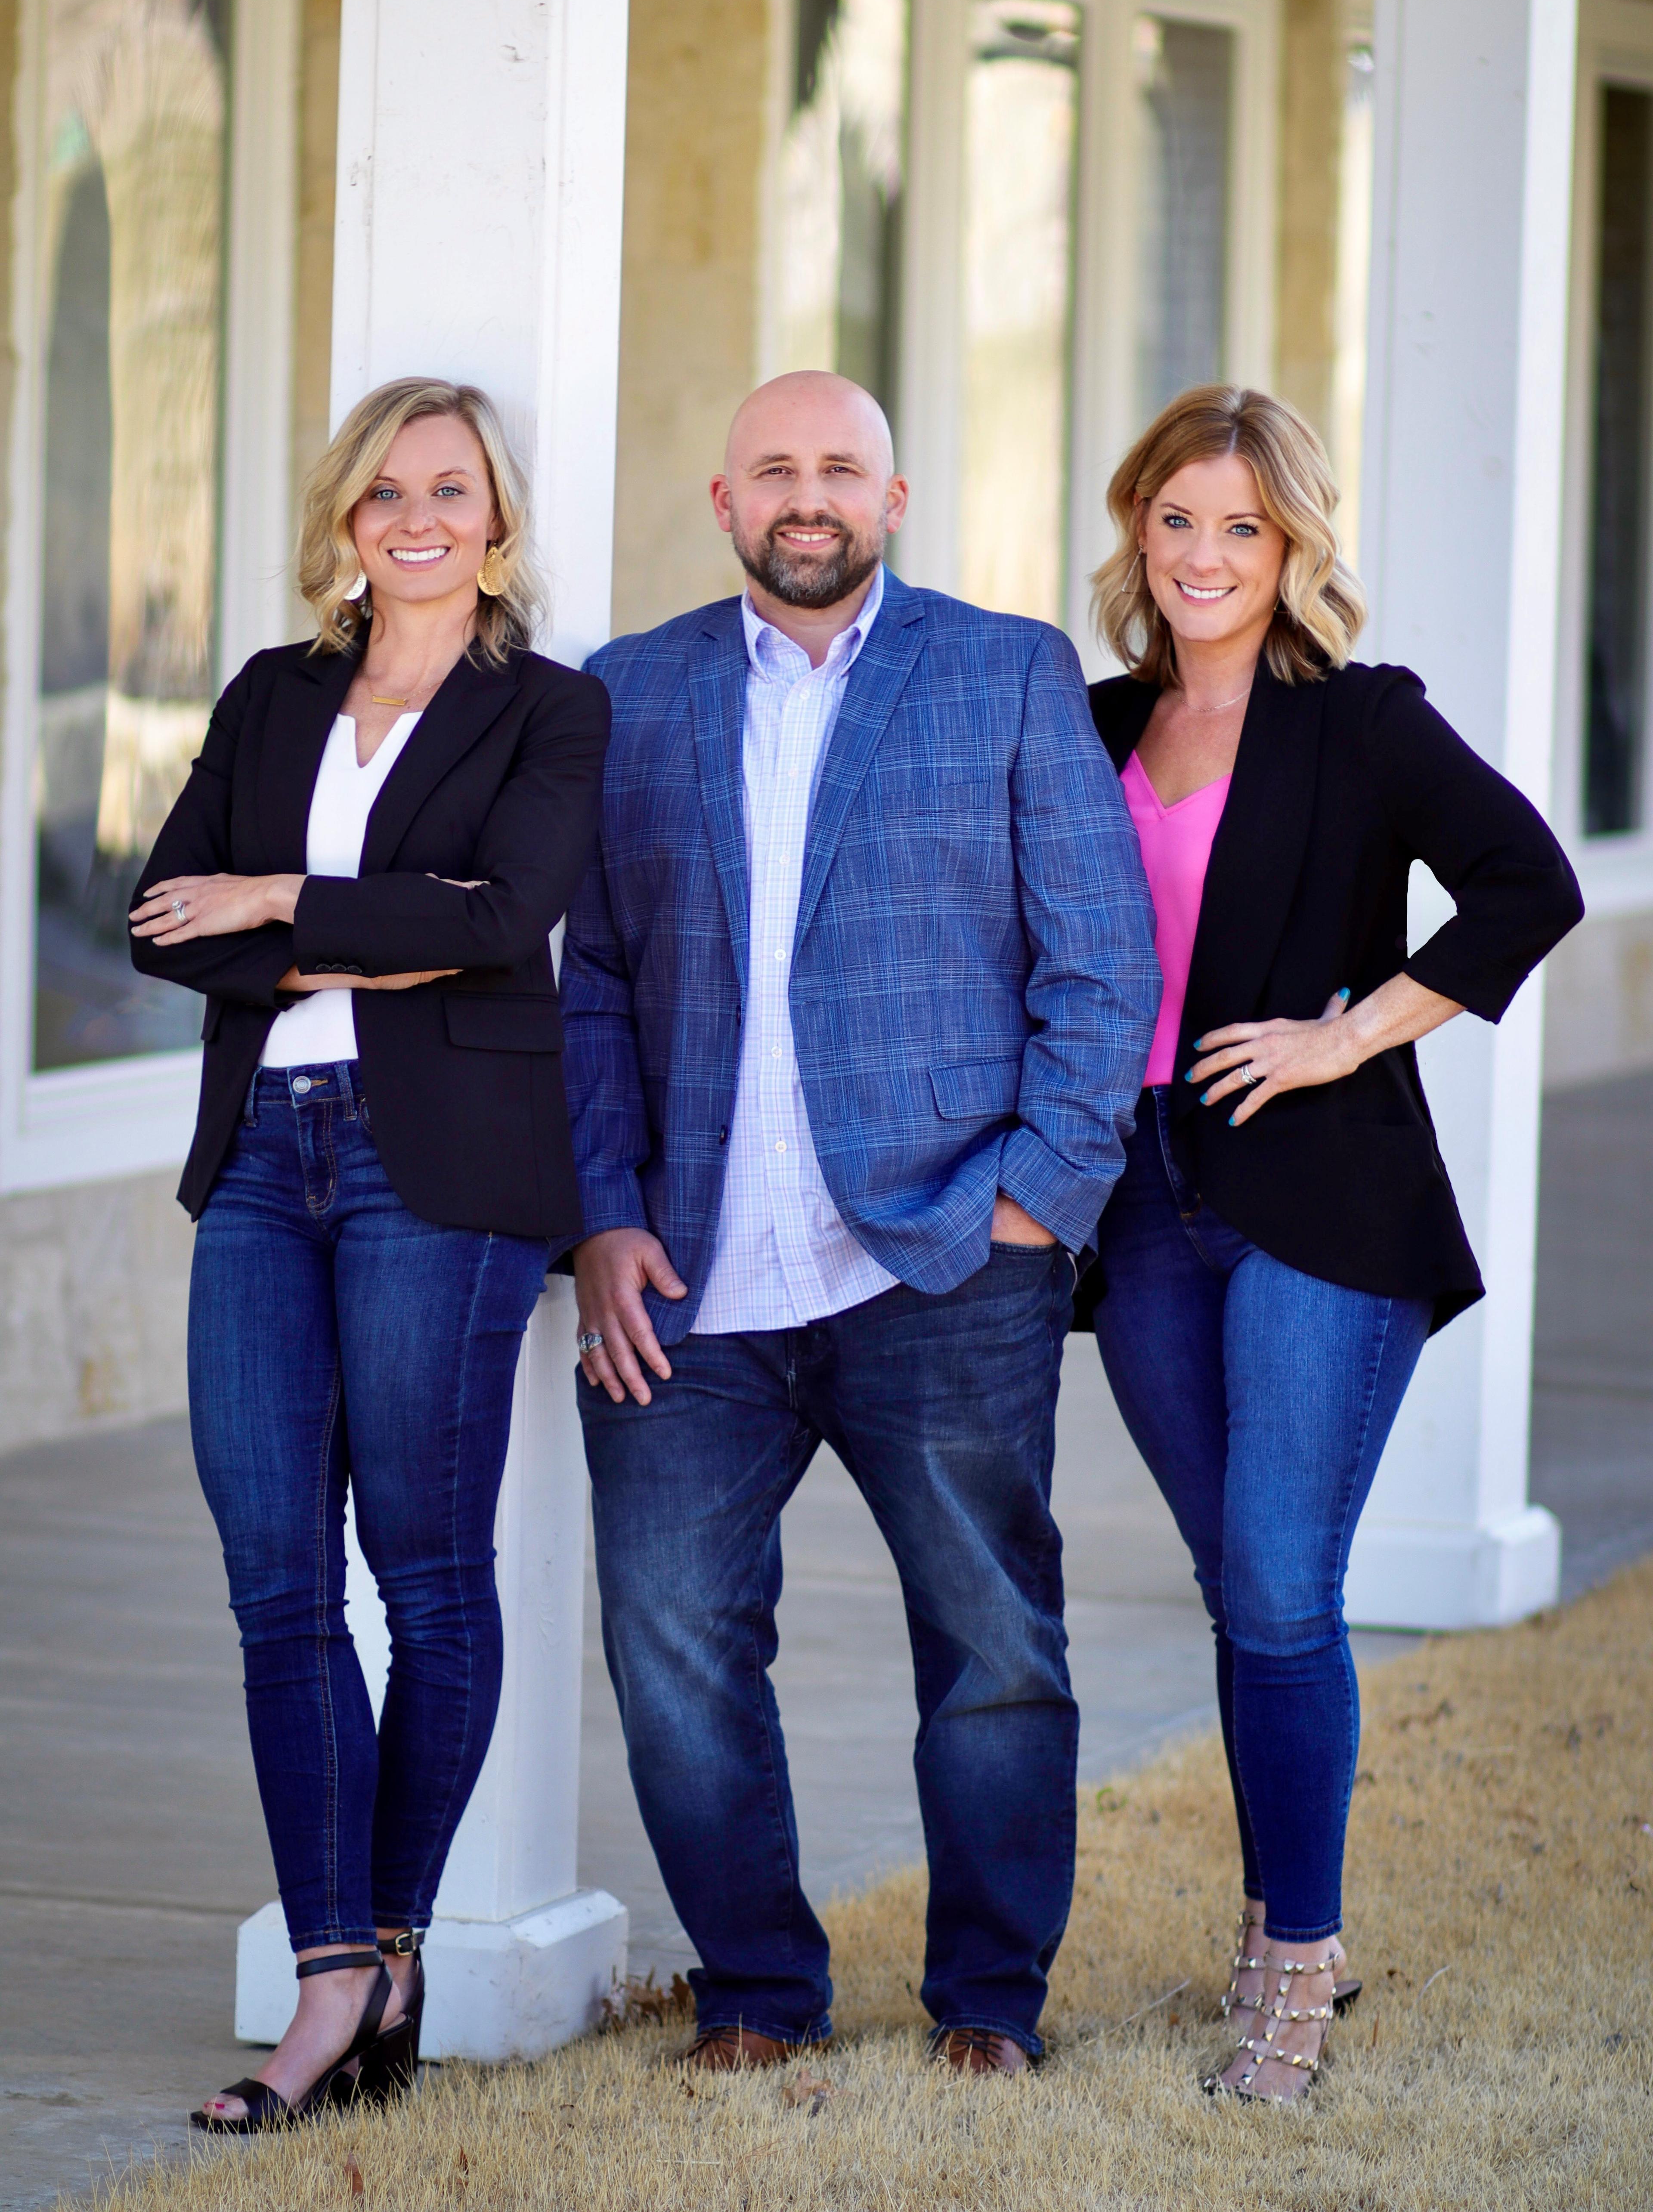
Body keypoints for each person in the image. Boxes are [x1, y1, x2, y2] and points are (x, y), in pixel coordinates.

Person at [562, 369, 1159, 2076]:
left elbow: (1102, 960)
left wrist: (1040, 1201)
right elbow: (594, 984)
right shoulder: (635, 694)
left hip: (947, 1261)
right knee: (673, 1642)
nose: (806, 496)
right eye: (775, 470)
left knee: (989, 1642)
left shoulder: (1008, 670)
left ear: (893, 501)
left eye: (841, 468)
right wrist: (600, 1217)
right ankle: (755, 1991)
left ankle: (987, 1999)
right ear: (724, 501)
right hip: (689, 1274)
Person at [1078, 383, 1583, 2102]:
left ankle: (1294, 1967)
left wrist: (1347, 1033)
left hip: (1323, 1197)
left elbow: (1530, 884)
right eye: (1177, 518)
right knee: (1243, 1595)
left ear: (1291, 545)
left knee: (1285, 1590)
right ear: (1136, 531)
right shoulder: (1092, 725)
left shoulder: (1357, 722)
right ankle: (1287, 1914)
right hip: (1143, 1207)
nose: (1207, 554)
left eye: (1244, 524)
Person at [128, 378, 609, 2130]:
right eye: (385, 489)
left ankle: (382, 1952)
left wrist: (281, 904)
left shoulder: (555, 713)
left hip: (444, 1175)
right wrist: (364, 948)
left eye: (452, 489)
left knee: (424, 1569)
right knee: (275, 1572)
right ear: (346, 516)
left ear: (497, 518)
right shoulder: (274, 695)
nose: (416, 517)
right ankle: (340, 1971)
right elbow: (160, 916)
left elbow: (505, 927)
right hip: (261, 1161)